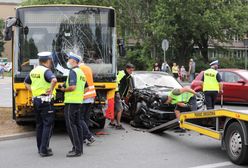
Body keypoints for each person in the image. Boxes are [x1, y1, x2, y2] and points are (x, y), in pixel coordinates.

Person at [24, 52, 57, 157]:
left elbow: (26, 83)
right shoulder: (46, 71)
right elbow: (54, 80)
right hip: (46, 101)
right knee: (48, 124)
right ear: (47, 61)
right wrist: (51, 90)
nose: (51, 63)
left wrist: (33, 91)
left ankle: (40, 148)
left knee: (39, 125)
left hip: (36, 100)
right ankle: (44, 150)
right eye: (50, 61)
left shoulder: (33, 71)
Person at [59, 52, 86, 157]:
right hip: (79, 101)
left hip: (71, 102)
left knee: (71, 126)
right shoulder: (81, 73)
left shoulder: (73, 72)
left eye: (69, 60)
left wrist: (63, 89)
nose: (68, 61)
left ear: (74, 61)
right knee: (78, 125)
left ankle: (76, 150)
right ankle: (79, 149)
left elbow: (73, 87)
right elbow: (86, 88)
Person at [109, 63, 135, 130]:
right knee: (120, 109)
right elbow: (116, 82)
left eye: (132, 70)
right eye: (130, 70)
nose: (131, 72)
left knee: (117, 109)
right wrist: (118, 93)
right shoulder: (122, 74)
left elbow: (126, 87)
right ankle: (118, 124)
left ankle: (112, 122)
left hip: (117, 93)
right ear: (127, 69)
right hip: (116, 93)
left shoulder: (127, 76)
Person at [79, 62, 96, 145]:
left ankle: (88, 136)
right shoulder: (88, 68)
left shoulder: (79, 69)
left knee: (80, 118)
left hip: (83, 97)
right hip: (90, 96)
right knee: (86, 118)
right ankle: (85, 138)